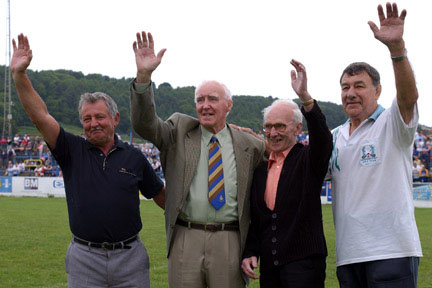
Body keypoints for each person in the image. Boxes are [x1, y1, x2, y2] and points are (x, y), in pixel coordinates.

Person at [11, 33, 165, 288]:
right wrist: (19, 75)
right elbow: (40, 116)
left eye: (100, 117)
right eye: (87, 119)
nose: (93, 123)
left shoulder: (134, 157)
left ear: (115, 120)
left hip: (130, 258)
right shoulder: (71, 149)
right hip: (84, 258)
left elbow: (162, 197)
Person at [130, 31, 266, 288]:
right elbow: (144, 124)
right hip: (185, 235)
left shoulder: (250, 145)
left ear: (229, 105)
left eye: (212, 99)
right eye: (200, 100)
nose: (205, 105)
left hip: (230, 238)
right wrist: (144, 77)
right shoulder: (179, 131)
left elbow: (281, 158)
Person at [328, 3, 422, 287]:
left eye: (359, 85)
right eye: (345, 87)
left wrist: (397, 51)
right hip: (348, 255)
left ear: (377, 90)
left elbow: (408, 96)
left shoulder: (392, 124)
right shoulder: (335, 136)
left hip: (392, 251)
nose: (351, 93)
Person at [241, 60, 332, 288]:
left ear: (298, 128)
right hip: (271, 267)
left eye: (280, 126)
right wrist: (251, 251)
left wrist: (305, 98)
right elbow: (258, 219)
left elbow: (323, 138)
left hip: (304, 266)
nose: (273, 133)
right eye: (268, 126)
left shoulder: (308, 159)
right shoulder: (262, 169)